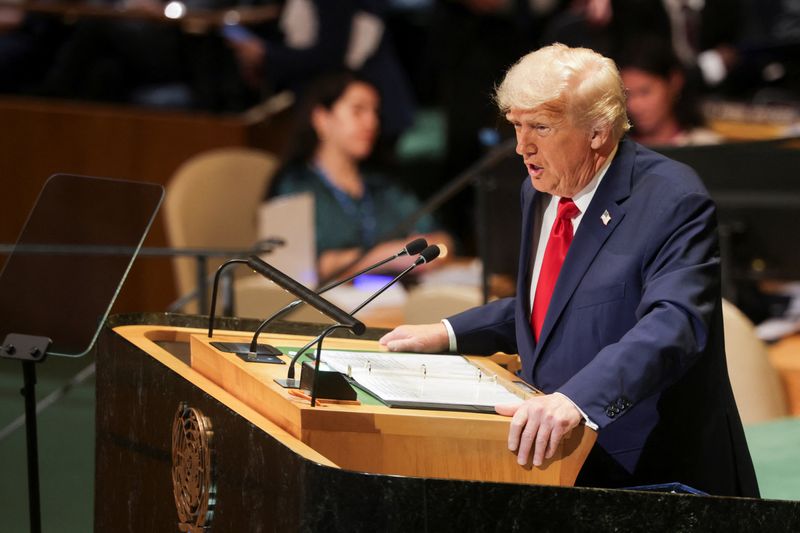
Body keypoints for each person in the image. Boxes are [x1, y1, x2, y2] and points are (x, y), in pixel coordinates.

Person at [379, 43, 759, 496]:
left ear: (598, 132)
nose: (522, 147)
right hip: (556, 462)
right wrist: (448, 332)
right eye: (517, 125)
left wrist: (578, 400)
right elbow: (559, 304)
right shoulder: (539, 189)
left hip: (651, 474)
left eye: (540, 126)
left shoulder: (671, 199)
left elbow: (674, 324)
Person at [267, 71, 452, 281]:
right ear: (321, 118)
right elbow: (298, 268)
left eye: (375, 112)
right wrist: (391, 256)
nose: (371, 122)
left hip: (395, 303)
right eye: (358, 111)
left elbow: (441, 242)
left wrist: (435, 248)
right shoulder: (295, 185)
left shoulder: (382, 185)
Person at [619, 37, 722, 146]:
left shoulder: (706, 146)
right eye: (627, 95)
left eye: (645, 92)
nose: (634, 106)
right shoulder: (614, 151)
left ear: (674, 82)